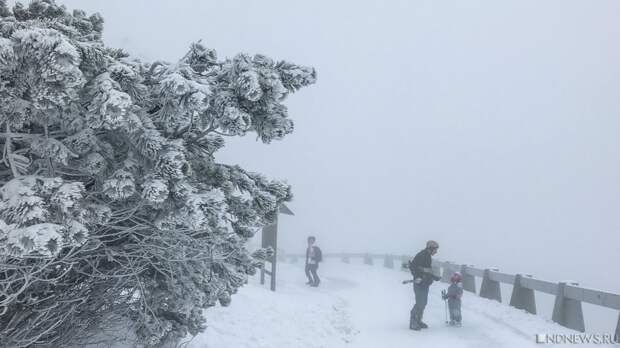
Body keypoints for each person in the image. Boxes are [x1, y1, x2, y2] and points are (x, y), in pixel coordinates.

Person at [408, 240, 441, 330]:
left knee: (423, 303)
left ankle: (418, 320)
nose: (436, 251)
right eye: (435, 249)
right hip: (419, 283)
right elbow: (414, 267)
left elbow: (427, 270)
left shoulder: (427, 256)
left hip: (425, 283)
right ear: (430, 248)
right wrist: (418, 276)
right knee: (420, 303)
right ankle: (413, 322)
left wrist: (434, 276)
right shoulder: (422, 255)